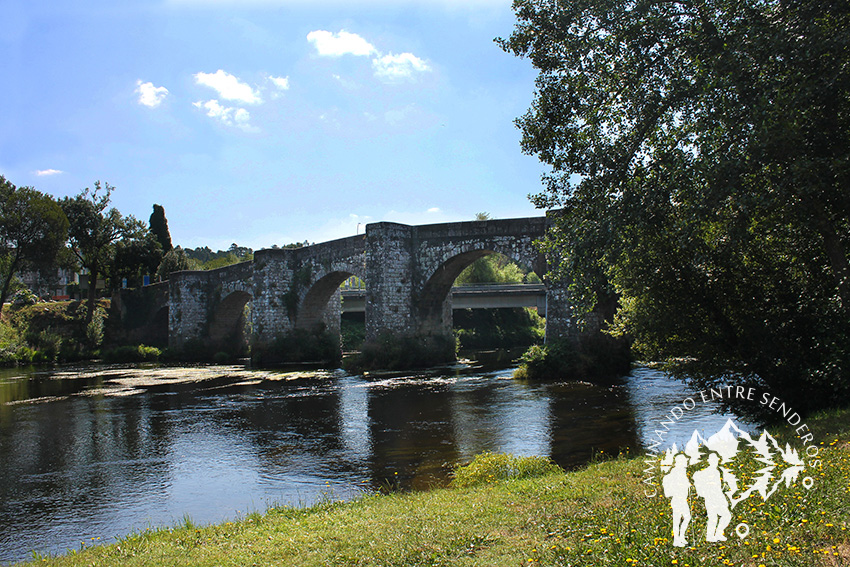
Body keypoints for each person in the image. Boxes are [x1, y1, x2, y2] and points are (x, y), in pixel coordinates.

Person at [692, 452, 732, 542]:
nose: (715, 462)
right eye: (713, 460)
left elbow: (718, 487)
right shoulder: (707, 472)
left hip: (716, 497)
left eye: (716, 460)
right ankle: (712, 536)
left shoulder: (716, 472)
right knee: (715, 517)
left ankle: (716, 535)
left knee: (723, 516)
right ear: (709, 461)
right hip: (711, 497)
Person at [662, 453, 692, 547]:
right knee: (677, 520)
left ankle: (681, 537)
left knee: (687, 518)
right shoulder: (676, 472)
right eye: (685, 461)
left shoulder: (682, 471)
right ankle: (676, 540)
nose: (686, 463)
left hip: (682, 499)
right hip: (678, 499)